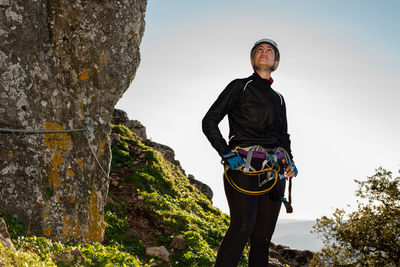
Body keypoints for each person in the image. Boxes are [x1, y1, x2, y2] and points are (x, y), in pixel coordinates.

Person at [202, 38, 297, 266]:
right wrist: (225, 152)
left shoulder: (279, 99)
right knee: (242, 227)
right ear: (253, 59)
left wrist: (290, 163)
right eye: (259, 51)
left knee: (262, 238)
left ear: (276, 61)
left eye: (269, 51)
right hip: (242, 165)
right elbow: (209, 121)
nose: (264, 53)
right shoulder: (239, 86)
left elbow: (283, 137)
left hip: (275, 170)